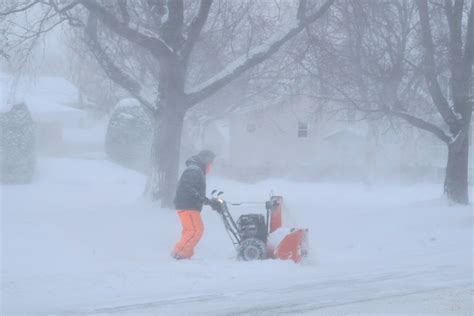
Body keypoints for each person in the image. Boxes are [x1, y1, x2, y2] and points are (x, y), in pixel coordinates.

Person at [172, 150, 219, 260]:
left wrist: (205, 200)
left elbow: (193, 189)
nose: (211, 165)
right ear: (206, 160)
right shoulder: (194, 170)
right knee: (195, 230)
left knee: (190, 230)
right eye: (211, 162)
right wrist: (201, 199)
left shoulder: (196, 169)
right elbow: (187, 188)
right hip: (188, 205)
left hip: (188, 205)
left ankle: (180, 252)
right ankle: (180, 254)